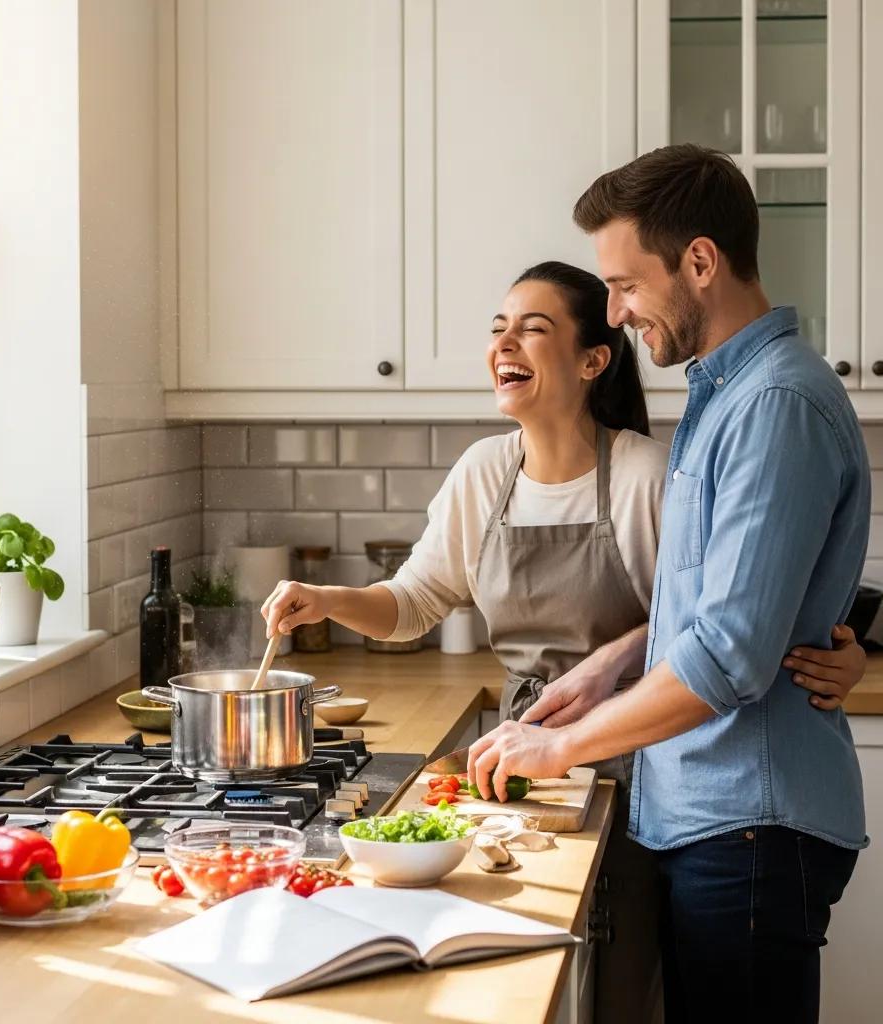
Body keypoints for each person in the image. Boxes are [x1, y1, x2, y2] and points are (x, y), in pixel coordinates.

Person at [262, 258, 866, 1023]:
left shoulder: (645, 474)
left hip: (650, 765)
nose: (504, 342)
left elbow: (718, 618)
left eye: (531, 328)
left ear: (593, 360)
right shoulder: (485, 472)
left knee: (628, 984)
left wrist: (829, 645)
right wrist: (326, 600)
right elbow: (412, 602)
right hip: (533, 773)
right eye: (497, 327)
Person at [466, 144, 870, 1024]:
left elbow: (727, 657)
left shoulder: (774, 406)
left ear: (699, 261)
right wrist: (609, 663)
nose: (615, 313)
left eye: (625, 285)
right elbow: (706, 606)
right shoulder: (727, 397)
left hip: (751, 822)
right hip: (719, 819)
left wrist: (555, 750)